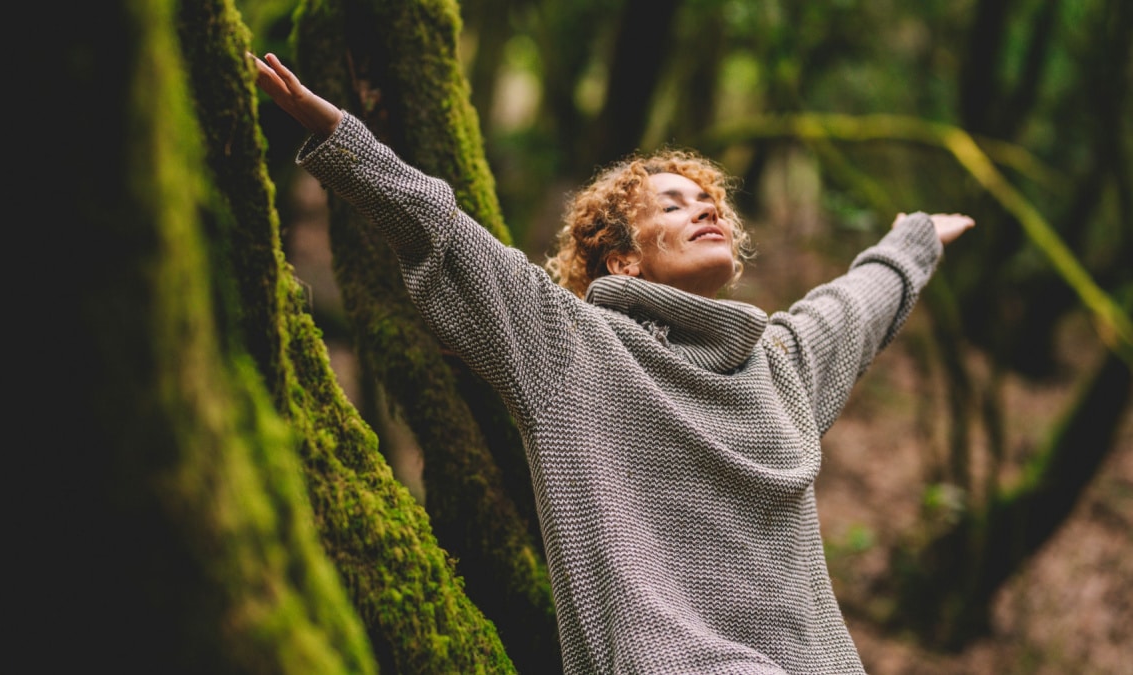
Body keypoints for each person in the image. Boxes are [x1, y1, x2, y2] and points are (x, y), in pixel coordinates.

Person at [252, 51, 974, 674]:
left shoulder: (778, 366)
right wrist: (342, 138)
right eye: (675, 204)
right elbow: (449, 236)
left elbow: (851, 307)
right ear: (623, 256)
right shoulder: (572, 349)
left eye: (709, 202)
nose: (706, 211)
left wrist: (915, 242)